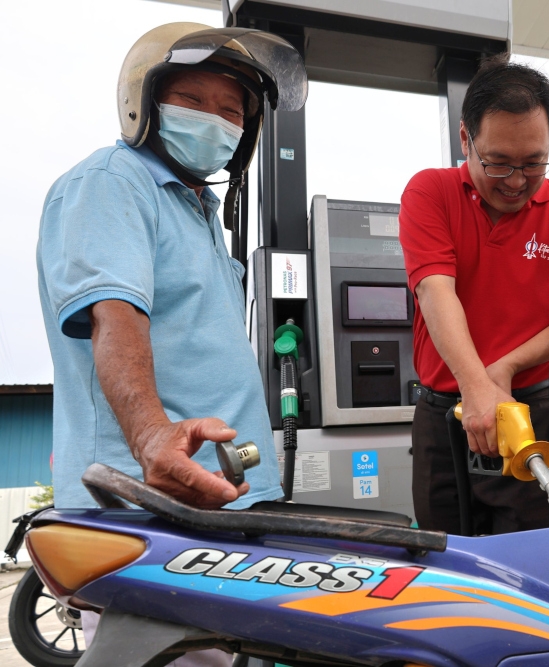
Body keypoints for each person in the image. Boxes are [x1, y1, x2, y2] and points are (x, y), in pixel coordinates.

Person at [36, 23, 307, 666]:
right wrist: (154, 438)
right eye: (191, 100)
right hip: (152, 501)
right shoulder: (112, 181)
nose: (214, 120)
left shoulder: (197, 207)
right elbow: (114, 318)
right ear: (145, 102)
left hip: (220, 499)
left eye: (230, 110)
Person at [399, 54, 549, 534]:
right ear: (466, 139)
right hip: (445, 418)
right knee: (449, 567)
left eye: (533, 163)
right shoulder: (430, 192)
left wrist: (503, 368)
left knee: (544, 564)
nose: (518, 182)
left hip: (535, 414)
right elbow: (435, 291)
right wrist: (476, 384)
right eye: (498, 163)